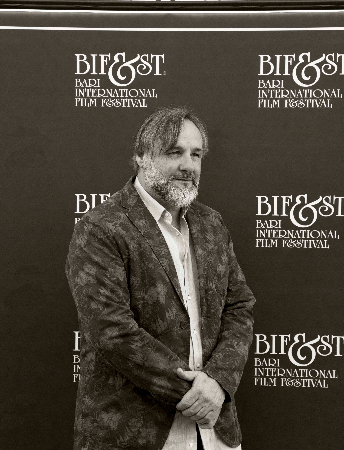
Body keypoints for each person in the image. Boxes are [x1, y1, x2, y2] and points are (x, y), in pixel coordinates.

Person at [66, 106, 255, 450]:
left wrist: (219, 383)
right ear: (141, 156)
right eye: (174, 152)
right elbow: (111, 330)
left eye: (195, 154)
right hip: (132, 432)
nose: (188, 165)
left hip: (215, 433)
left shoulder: (212, 224)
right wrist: (198, 394)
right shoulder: (101, 227)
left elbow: (239, 307)